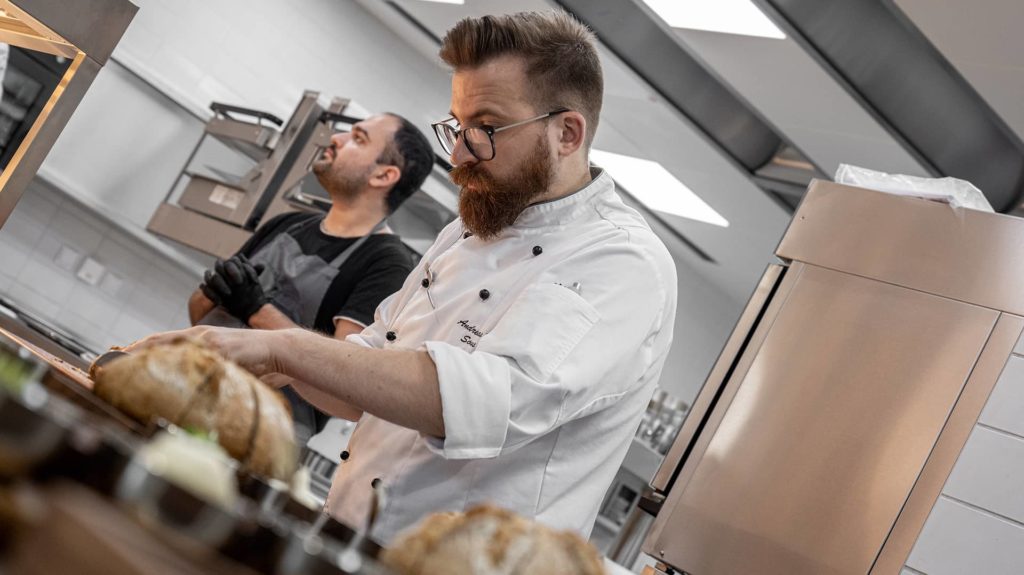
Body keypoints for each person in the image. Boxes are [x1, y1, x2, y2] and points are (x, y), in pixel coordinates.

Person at [139, 10, 677, 544]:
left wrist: (283, 350)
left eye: (486, 129)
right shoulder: (463, 234)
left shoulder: (622, 263)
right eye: (457, 127)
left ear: (567, 133)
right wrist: (247, 357)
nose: (460, 154)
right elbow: (359, 383)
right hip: (348, 537)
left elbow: (479, 401)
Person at [188, 112, 435, 444]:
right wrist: (215, 292)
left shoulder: (387, 264)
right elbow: (199, 314)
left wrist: (257, 310)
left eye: (358, 138)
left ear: (383, 175)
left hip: (260, 432)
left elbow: (345, 377)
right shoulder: (287, 224)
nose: (337, 138)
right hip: (192, 388)